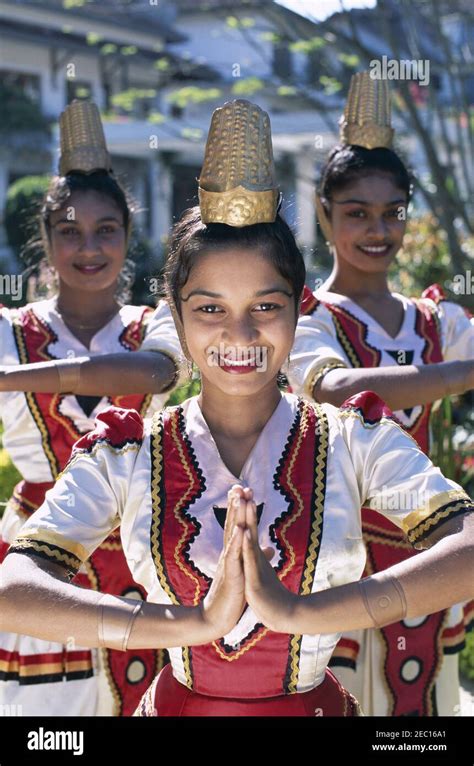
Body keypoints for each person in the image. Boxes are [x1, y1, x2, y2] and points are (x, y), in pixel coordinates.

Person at [1, 99, 473, 717]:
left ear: (297, 309)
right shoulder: (127, 452)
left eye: (266, 307)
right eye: (210, 309)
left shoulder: (357, 441)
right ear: (175, 313)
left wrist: (302, 613)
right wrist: (191, 624)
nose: (241, 336)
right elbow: (14, 588)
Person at [288, 71, 474, 716]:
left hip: (432, 552)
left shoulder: (435, 321)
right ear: (324, 213)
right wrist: (454, 376)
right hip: (340, 552)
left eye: (391, 212)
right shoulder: (310, 321)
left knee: (425, 704)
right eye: (356, 213)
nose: (377, 230)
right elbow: (339, 387)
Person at [0, 101, 181, 716]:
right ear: (46, 242)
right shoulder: (8, 331)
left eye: (106, 229)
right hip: (40, 553)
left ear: (128, 238)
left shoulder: (158, 325)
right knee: (49, 718)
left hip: (142, 543)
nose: (89, 247)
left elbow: (154, 373)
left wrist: (11, 379)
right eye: (70, 231)